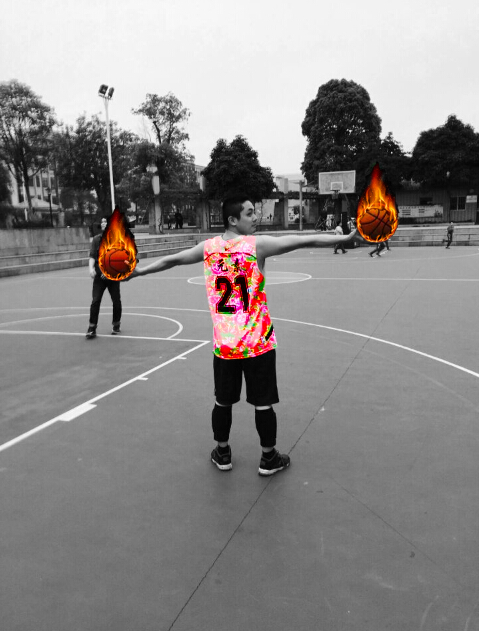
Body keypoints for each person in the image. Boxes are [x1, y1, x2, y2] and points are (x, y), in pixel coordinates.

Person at [127, 194, 358, 475]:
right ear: (233, 220)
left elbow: (172, 260)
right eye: (249, 213)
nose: (255, 217)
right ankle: (268, 458)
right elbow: (302, 240)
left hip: (226, 345)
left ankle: (222, 452)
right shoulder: (255, 246)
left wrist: (140, 272)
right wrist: (344, 238)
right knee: (263, 404)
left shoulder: (208, 248)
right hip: (258, 343)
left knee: (223, 401)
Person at [85, 217, 122, 339]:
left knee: (116, 301)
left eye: (106, 222)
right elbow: (92, 256)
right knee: (95, 301)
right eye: (102, 222)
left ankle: (116, 324)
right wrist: (91, 268)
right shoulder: (96, 239)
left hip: (112, 276)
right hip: (99, 277)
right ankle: (92, 328)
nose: (104, 223)